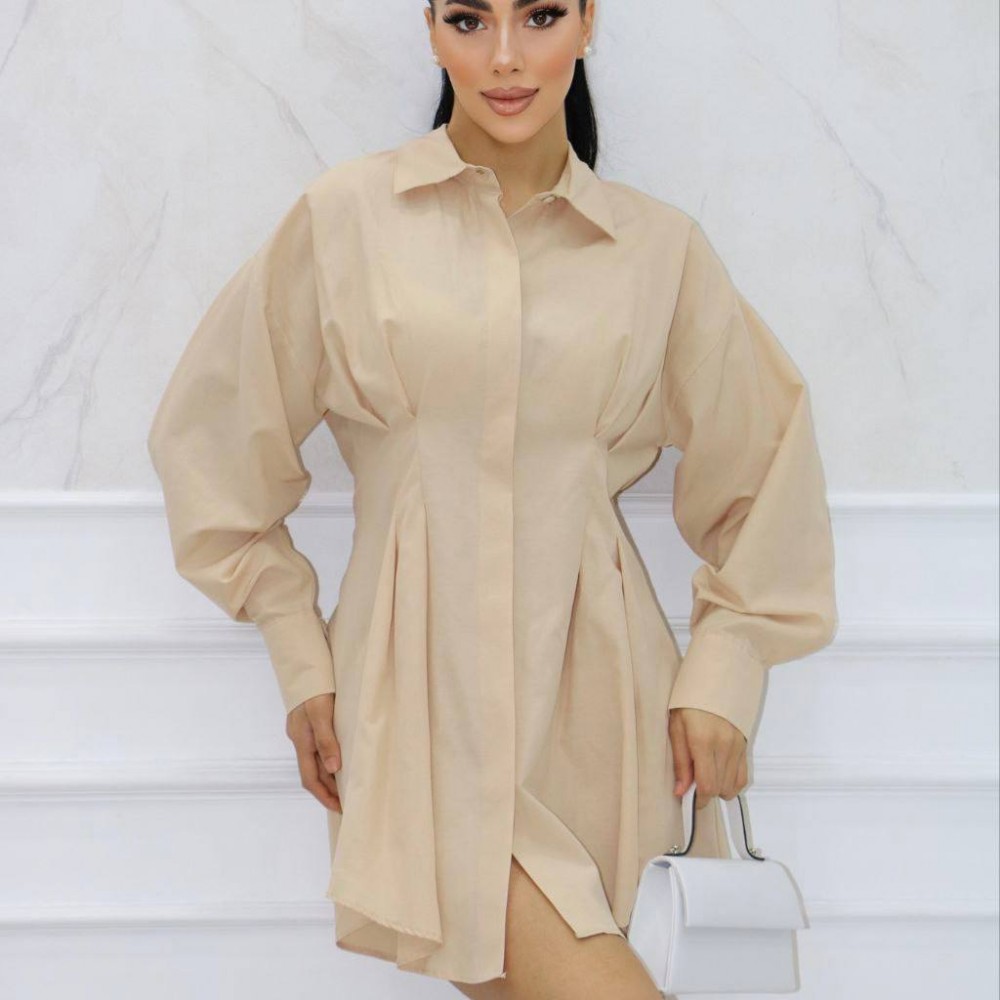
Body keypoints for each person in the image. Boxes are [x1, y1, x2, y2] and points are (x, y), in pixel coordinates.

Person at [146, 1, 838, 997]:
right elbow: (212, 447)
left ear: (588, 23)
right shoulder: (346, 221)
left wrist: (724, 672)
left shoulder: (657, 251)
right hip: (413, 708)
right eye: (470, 20)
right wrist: (300, 657)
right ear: (430, 29)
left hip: (596, 718)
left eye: (540, 16)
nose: (506, 57)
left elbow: (768, 465)